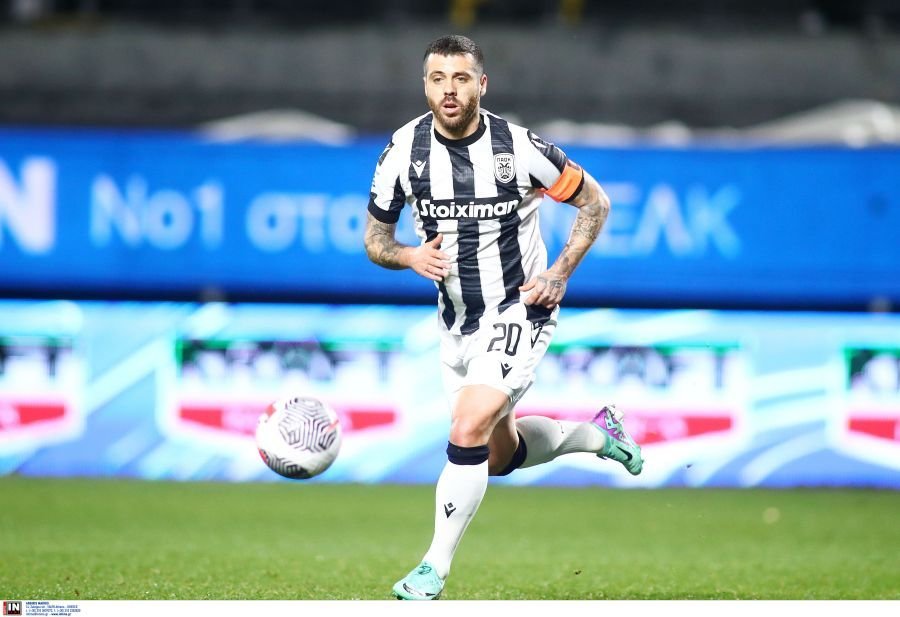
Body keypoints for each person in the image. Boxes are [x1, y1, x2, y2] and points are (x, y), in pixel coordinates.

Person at [363, 34, 644, 601]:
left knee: (466, 427)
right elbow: (375, 239)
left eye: (461, 78)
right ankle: (599, 434)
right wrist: (409, 257)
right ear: (425, 86)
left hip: (521, 307)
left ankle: (432, 569)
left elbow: (595, 202)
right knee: (498, 455)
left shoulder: (518, 147)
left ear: (481, 84)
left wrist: (559, 273)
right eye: (438, 78)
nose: (449, 89)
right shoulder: (402, 152)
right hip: (457, 323)